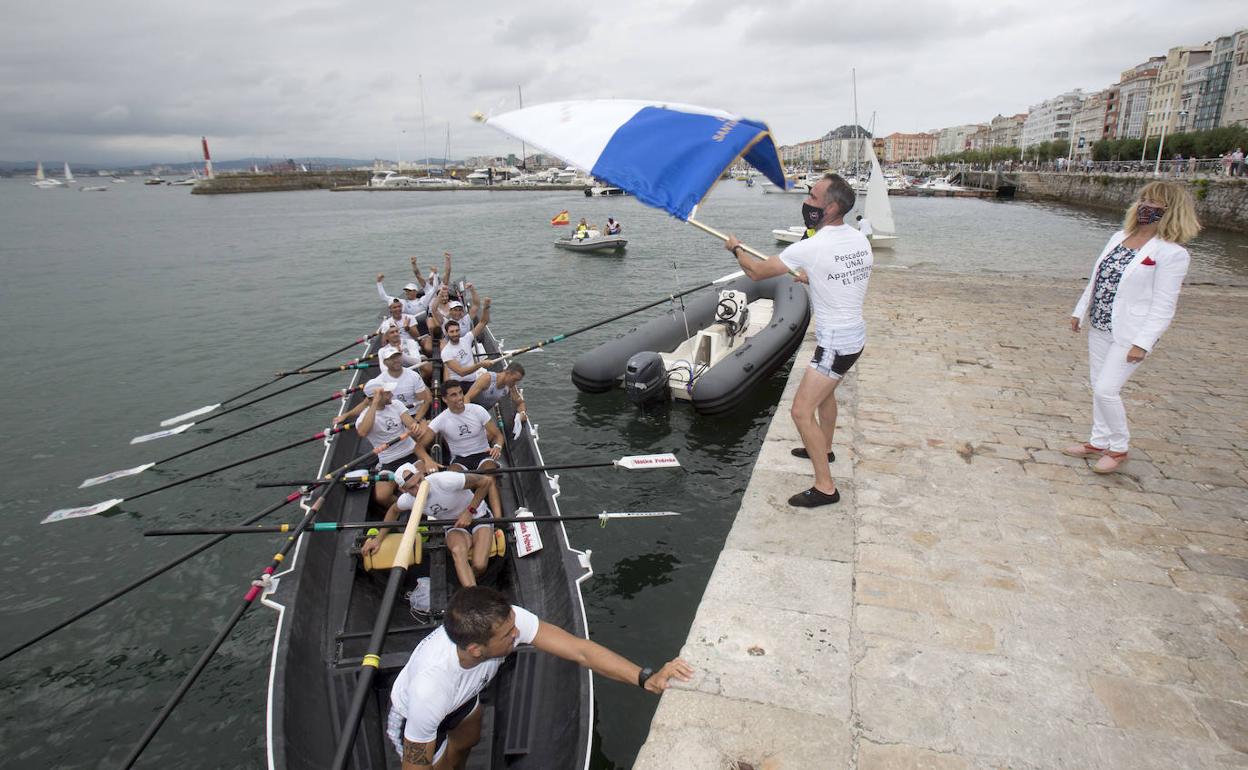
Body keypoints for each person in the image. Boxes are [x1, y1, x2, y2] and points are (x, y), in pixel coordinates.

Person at [388, 586, 694, 769]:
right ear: (476, 649)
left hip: (464, 698)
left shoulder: (506, 621)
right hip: (418, 716)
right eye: (509, 635)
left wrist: (646, 678)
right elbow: (415, 765)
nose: (518, 634)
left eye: (513, 626)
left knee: (467, 740)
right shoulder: (431, 690)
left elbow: (580, 651)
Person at [724, 173, 871, 508]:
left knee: (801, 411)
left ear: (832, 207)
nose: (806, 202)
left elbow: (756, 272)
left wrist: (735, 248)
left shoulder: (813, 245)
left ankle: (825, 488)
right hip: (853, 336)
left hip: (836, 343)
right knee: (826, 395)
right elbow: (842, 275)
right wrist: (813, 276)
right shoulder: (857, 239)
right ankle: (826, 449)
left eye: (813, 198)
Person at [1063, 181, 1199, 473]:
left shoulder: (1172, 253)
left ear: (1170, 211)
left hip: (1130, 332)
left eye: (1156, 203)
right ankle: (1098, 441)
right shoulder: (1119, 237)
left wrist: (1143, 343)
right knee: (1097, 385)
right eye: (1144, 199)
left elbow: (1164, 305)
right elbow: (1098, 278)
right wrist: (1079, 311)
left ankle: (1119, 448)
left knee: (1106, 389)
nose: (1146, 206)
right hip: (1100, 324)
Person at [361, 461, 497, 588]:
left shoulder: (445, 480)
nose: (418, 488)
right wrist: (378, 539)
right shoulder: (407, 500)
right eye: (412, 488)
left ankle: (471, 582)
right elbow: (393, 511)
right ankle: (471, 592)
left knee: (479, 565)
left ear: (422, 475)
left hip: (478, 516)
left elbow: (485, 482)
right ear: (403, 490)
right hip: (452, 526)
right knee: (457, 551)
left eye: (419, 481)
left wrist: (469, 511)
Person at [356, 380, 428, 507]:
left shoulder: (396, 404)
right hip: (388, 461)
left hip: (411, 453)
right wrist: (374, 404)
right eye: (387, 393)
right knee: (382, 497)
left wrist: (415, 427)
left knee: (423, 483)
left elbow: (410, 423)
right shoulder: (363, 418)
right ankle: (408, 507)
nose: (391, 395)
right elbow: (362, 432)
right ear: (376, 397)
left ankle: (421, 508)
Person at [418, 380, 506, 474]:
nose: (460, 397)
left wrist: (497, 447)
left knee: (490, 473)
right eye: (454, 395)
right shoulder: (440, 420)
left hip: (483, 454)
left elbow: (498, 436)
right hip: (459, 459)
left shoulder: (478, 410)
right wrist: (428, 460)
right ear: (444, 399)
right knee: (453, 477)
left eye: (460, 393)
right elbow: (418, 447)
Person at [336, 346, 431, 425]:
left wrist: (415, 421)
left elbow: (424, 402)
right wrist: (346, 415)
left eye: (397, 357)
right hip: (393, 416)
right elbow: (366, 403)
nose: (396, 360)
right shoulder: (380, 381)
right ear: (385, 362)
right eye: (391, 358)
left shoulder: (413, 376)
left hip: (414, 414)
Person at [440, 319, 498, 384]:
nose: (455, 334)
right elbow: (461, 372)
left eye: (457, 330)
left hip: (475, 377)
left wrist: (486, 309)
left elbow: (483, 322)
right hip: (460, 383)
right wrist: (480, 364)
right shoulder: (446, 352)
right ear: (447, 333)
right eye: (452, 331)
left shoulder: (466, 339)